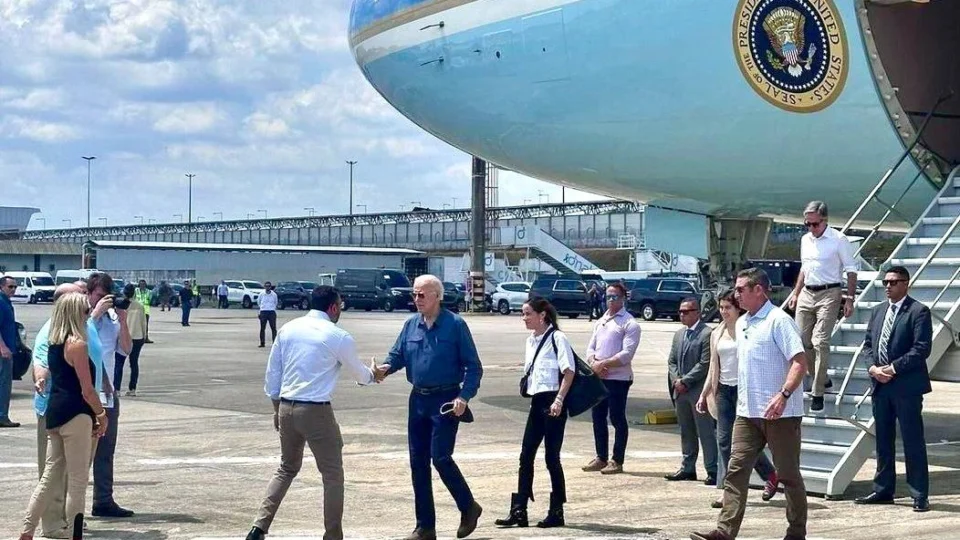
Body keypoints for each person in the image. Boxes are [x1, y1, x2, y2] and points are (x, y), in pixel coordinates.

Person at [246, 286, 379, 540]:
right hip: (316, 411)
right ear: (332, 307)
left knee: (286, 468)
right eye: (340, 306)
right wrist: (375, 374)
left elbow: (273, 375)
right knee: (332, 475)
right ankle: (332, 535)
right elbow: (362, 376)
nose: (341, 310)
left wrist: (277, 410)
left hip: (286, 407)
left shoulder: (288, 329)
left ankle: (258, 528)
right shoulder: (337, 335)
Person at [691, 268, 807, 540]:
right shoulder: (742, 323)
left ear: (759, 290)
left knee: (789, 476)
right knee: (736, 470)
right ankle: (724, 531)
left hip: (781, 414)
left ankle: (796, 532)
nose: (736, 293)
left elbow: (800, 362)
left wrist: (784, 395)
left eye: (741, 289)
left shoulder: (779, 321)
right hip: (747, 413)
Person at [375, 274, 484, 540]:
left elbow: (474, 367)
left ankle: (468, 506)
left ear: (437, 296)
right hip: (418, 400)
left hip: (446, 401)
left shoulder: (455, 325)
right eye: (414, 294)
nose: (416, 299)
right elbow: (397, 355)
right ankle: (425, 526)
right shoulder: (411, 325)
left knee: (441, 457)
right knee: (418, 462)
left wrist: (464, 397)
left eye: (421, 294)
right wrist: (384, 370)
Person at [20, 292, 109, 540]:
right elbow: (87, 389)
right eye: (85, 311)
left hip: (55, 413)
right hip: (77, 414)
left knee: (49, 476)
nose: (88, 315)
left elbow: (47, 372)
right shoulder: (77, 344)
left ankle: (27, 530)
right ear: (75, 314)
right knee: (78, 481)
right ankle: (74, 533)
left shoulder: (55, 344)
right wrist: (101, 414)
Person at [854, 266, 932, 512]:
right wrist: (874, 369)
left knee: (912, 441)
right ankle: (883, 489)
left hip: (906, 387)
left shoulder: (919, 312)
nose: (887, 286)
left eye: (893, 282)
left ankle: (919, 494)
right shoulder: (878, 311)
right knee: (883, 442)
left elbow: (921, 349)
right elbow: (868, 344)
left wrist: (892, 369)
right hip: (880, 386)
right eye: (885, 282)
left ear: (905, 284)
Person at [495, 297, 575, 530]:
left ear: (542, 315)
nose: (524, 318)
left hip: (553, 401)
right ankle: (519, 510)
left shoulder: (558, 338)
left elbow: (568, 372)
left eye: (527, 313)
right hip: (537, 401)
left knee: (552, 458)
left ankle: (557, 511)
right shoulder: (530, 341)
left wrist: (559, 400)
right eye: (523, 313)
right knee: (526, 454)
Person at [697, 290, 779, 508]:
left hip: (745, 389)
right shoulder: (716, 333)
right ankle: (729, 491)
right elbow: (713, 367)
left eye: (728, 307)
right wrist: (704, 393)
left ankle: (769, 474)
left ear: (738, 308)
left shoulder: (747, 328)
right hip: (723, 390)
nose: (724, 312)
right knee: (724, 441)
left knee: (746, 442)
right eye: (721, 307)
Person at [786, 200, 858, 412]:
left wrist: (850, 298)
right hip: (807, 292)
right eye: (807, 224)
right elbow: (804, 269)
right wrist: (795, 293)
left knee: (820, 341)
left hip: (830, 291)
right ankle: (821, 376)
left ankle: (817, 392)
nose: (811, 228)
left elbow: (851, 270)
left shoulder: (838, 239)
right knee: (801, 340)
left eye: (814, 224)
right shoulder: (805, 240)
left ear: (825, 220)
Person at [87, 273, 135, 519]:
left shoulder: (114, 320)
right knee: (80, 453)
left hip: (108, 394)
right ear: (89, 295)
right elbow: (80, 340)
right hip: (84, 392)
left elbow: (126, 349)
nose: (104, 301)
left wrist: (123, 320)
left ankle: (103, 500)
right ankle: (69, 505)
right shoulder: (82, 317)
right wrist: (95, 313)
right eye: (98, 296)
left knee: (106, 450)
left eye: (107, 297)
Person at [582, 282, 640, 475]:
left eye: (615, 296)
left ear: (623, 298)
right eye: (608, 296)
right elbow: (591, 347)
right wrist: (593, 363)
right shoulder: (601, 321)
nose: (611, 300)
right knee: (597, 417)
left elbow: (626, 354)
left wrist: (603, 364)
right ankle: (601, 457)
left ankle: (617, 459)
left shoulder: (629, 323)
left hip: (618, 378)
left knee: (616, 417)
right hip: (599, 376)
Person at [665, 298, 717, 485]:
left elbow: (705, 363)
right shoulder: (679, 334)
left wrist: (686, 381)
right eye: (680, 311)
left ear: (697, 312)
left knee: (706, 432)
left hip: (697, 392)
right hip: (681, 392)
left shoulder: (707, 334)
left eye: (686, 311)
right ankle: (688, 467)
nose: (682, 315)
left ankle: (712, 469)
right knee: (686, 431)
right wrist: (676, 380)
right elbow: (671, 361)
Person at [114, 284, 147, 397]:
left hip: (124, 336)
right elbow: (144, 322)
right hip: (137, 336)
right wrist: (144, 335)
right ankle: (132, 388)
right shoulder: (140, 306)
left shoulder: (121, 305)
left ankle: (116, 389)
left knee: (119, 363)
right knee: (134, 363)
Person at [0, 275, 20, 427]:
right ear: (2, 287)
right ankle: (2, 416)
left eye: (15, 287)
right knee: (4, 384)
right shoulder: (1, 302)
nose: (13, 289)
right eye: (10, 287)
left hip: (8, 349)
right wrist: (2, 346)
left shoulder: (6, 302)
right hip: (3, 352)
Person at [258, 282, 279, 348]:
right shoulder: (261, 294)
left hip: (271, 312)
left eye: (269, 286)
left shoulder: (274, 294)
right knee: (262, 328)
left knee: (273, 328)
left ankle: (274, 343)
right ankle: (262, 343)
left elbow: (276, 302)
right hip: (263, 311)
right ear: (264, 287)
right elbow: (259, 302)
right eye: (266, 286)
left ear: (270, 287)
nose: (267, 287)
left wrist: (272, 308)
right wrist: (262, 309)